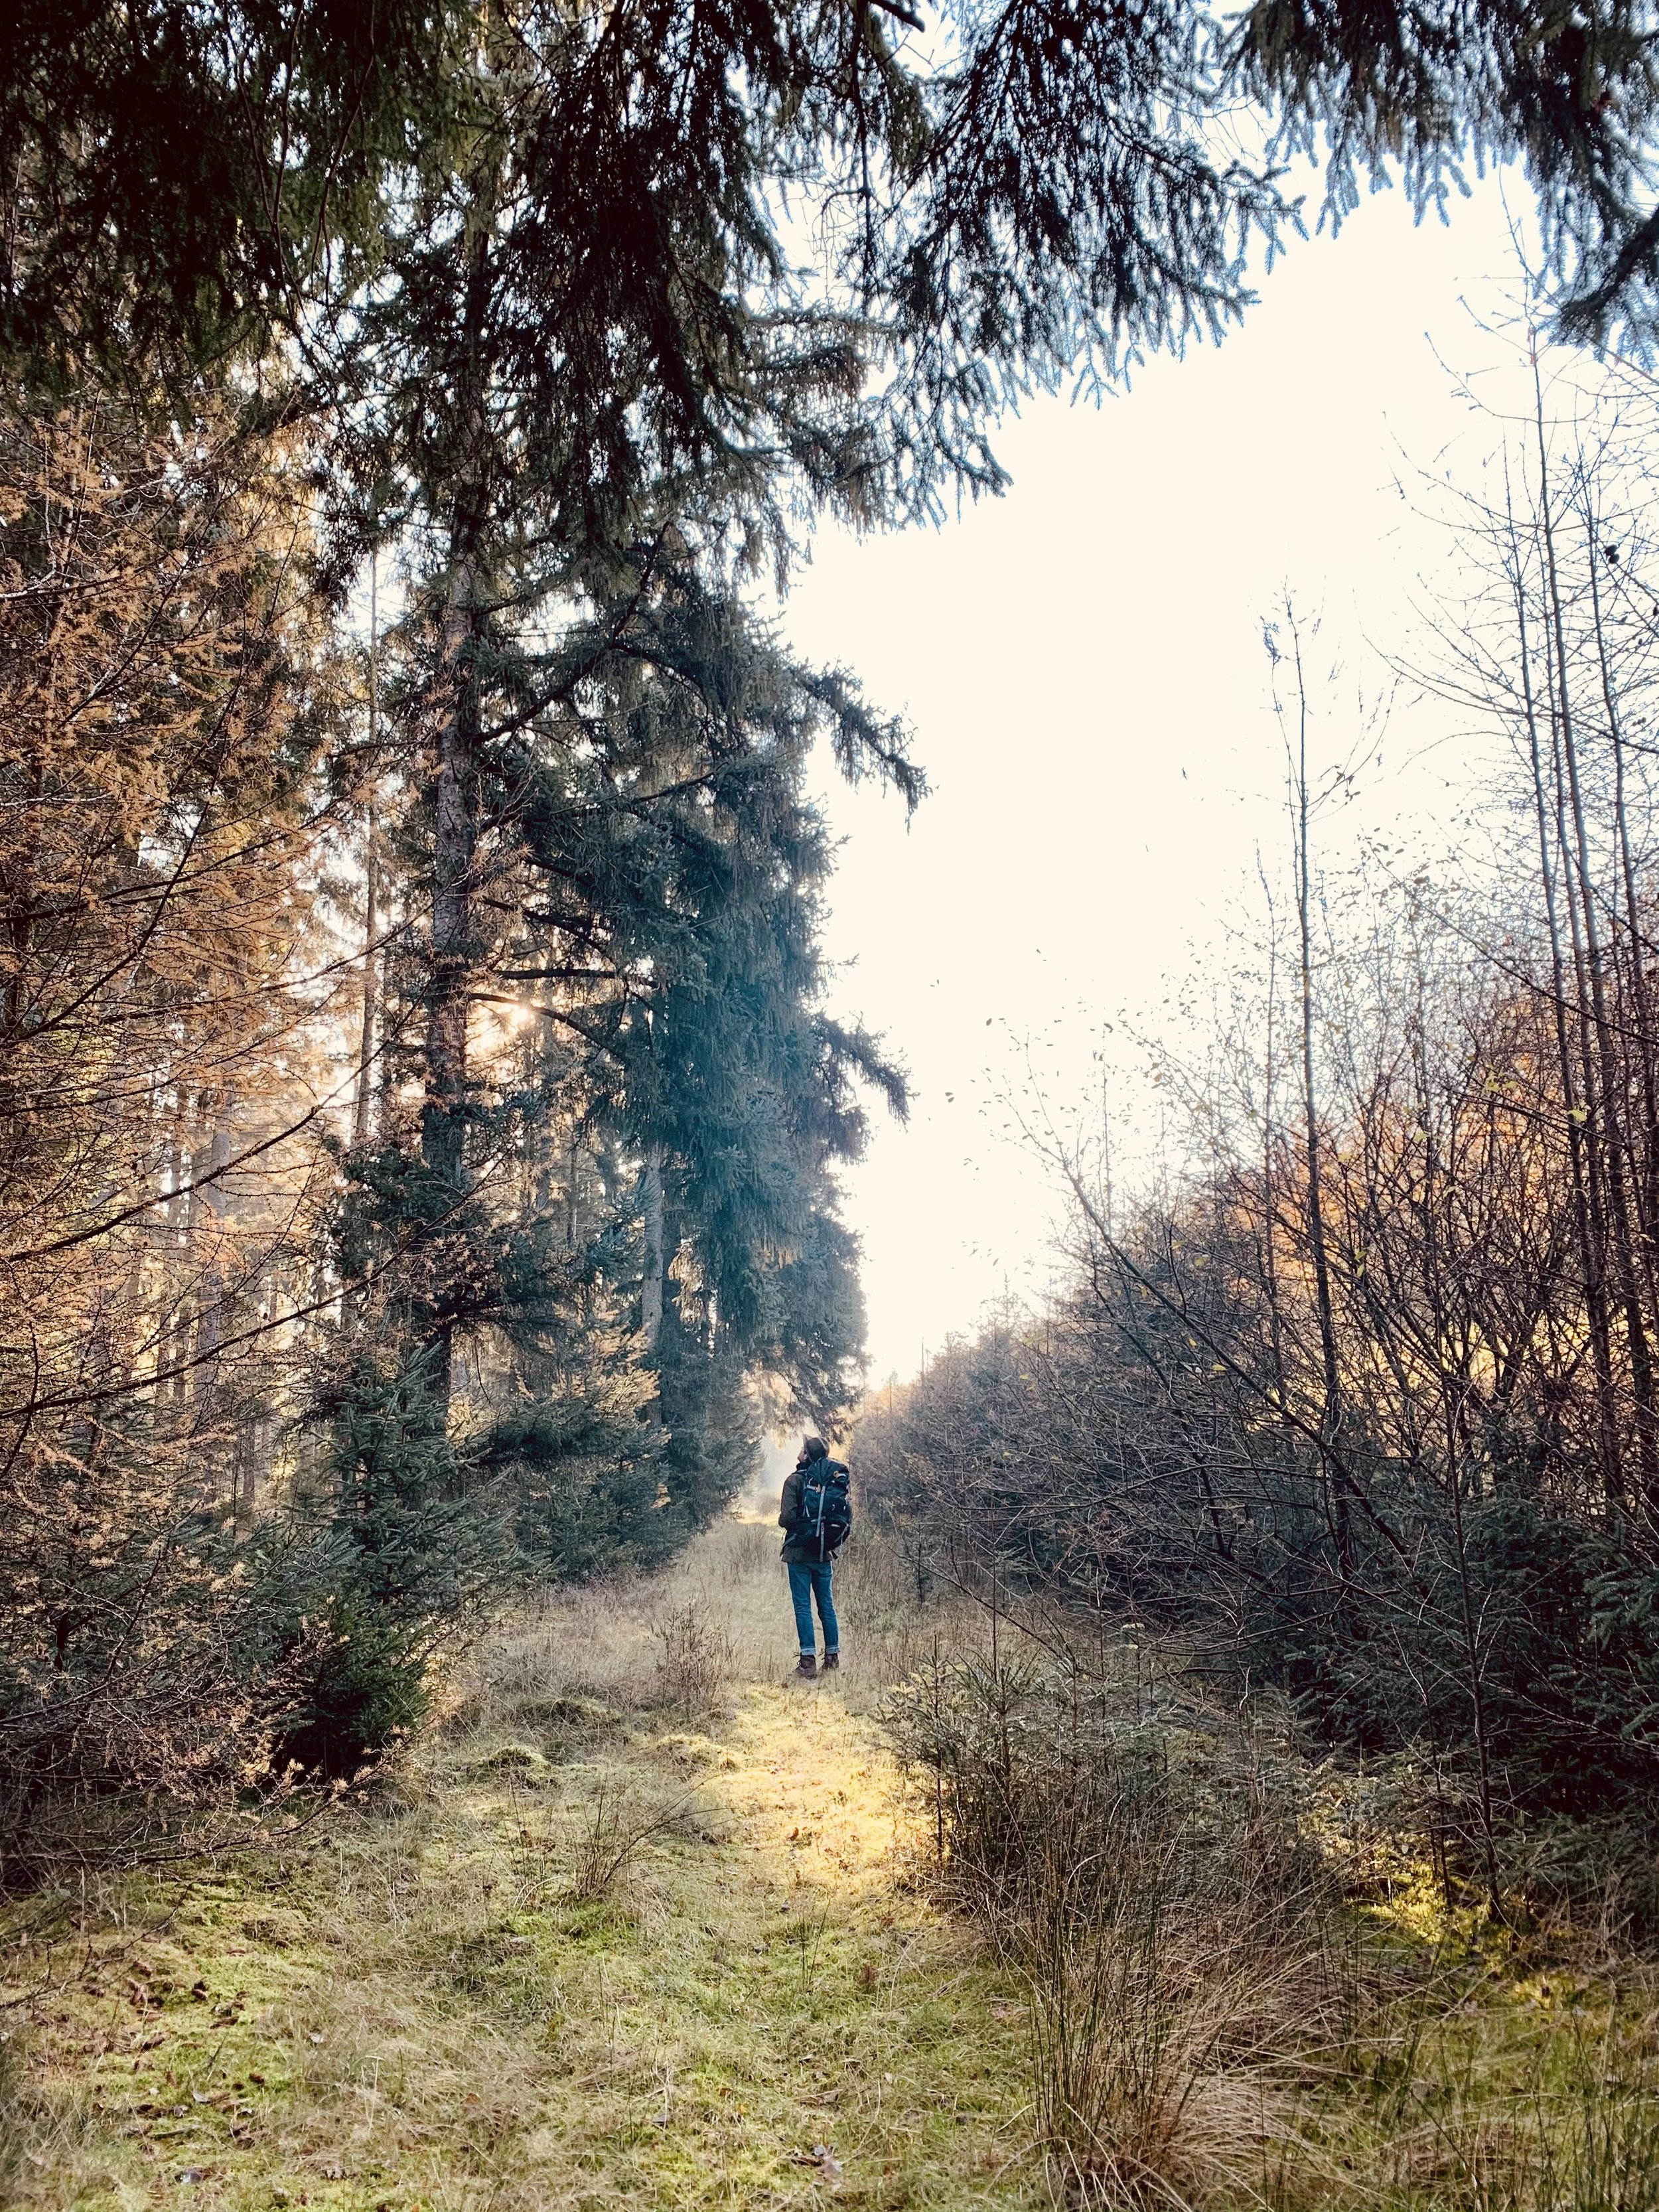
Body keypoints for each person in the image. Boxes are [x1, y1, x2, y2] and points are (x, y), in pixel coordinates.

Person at [779, 1435, 851, 1680]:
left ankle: (808, 1664)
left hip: (799, 1553)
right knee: (827, 1606)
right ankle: (832, 1658)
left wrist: (786, 1521)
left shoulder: (794, 1481)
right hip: (823, 1552)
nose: (800, 1450)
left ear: (807, 1455)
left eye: (803, 1448)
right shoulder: (831, 1481)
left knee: (803, 1607)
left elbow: (787, 1518)